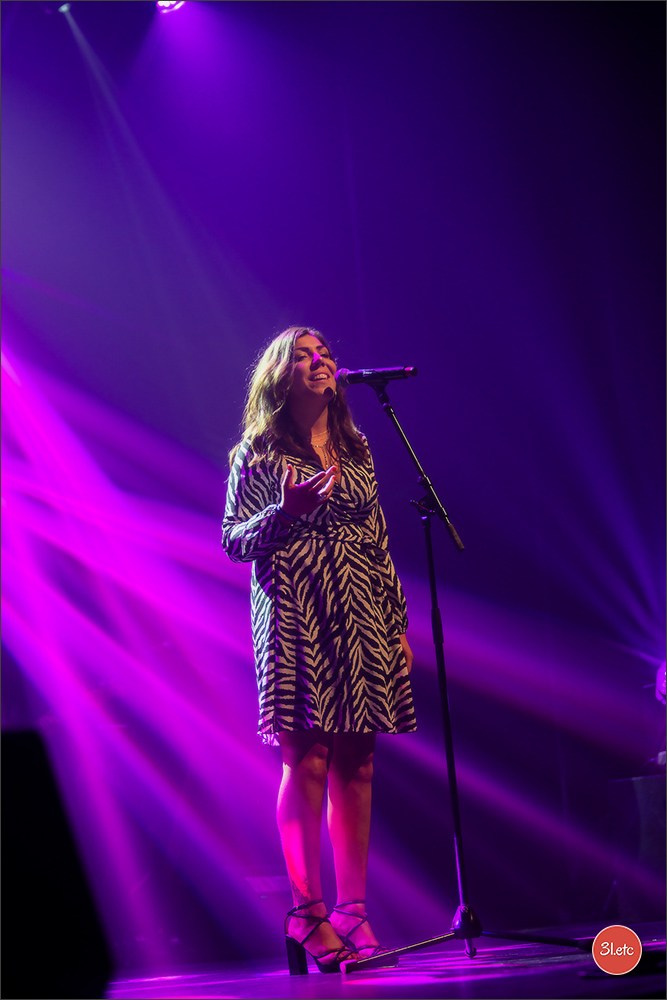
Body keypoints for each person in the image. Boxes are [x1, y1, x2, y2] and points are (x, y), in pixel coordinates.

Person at [222, 326, 416, 974]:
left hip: (361, 612)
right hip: (296, 612)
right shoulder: (257, 451)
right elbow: (232, 540)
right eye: (302, 355)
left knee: (357, 759)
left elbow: (377, 539)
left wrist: (395, 623)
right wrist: (284, 509)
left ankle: (352, 910)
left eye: (324, 353)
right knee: (306, 757)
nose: (318, 361)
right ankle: (305, 913)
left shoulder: (356, 448)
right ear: (278, 375)